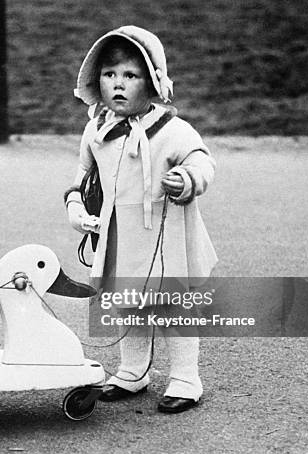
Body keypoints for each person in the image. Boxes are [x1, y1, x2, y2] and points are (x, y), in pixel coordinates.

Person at [64, 25, 217, 413]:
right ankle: (133, 370)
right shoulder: (96, 130)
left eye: (130, 76)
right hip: (119, 235)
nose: (118, 84)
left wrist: (186, 179)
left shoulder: (171, 131)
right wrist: (77, 208)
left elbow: (202, 160)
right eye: (109, 74)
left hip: (165, 234)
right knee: (124, 303)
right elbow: (82, 178)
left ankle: (185, 377)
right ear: (95, 80)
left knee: (171, 305)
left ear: (151, 83)